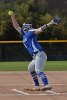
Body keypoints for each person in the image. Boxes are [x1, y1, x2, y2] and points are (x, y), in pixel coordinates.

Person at [11, 14, 60, 91]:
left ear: (27, 26)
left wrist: (50, 23)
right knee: (30, 68)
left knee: (38, 70)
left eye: (24, 25)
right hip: (35, 56)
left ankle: (47, 85)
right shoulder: (24, 34)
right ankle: (37, 86)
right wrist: (13, 18)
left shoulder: (31, 31)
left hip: (39, 54)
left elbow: (40, 29)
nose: (23, 27)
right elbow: (16, 26)